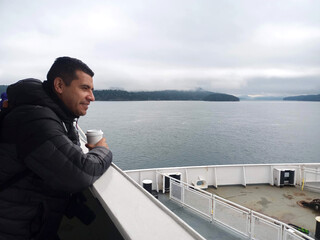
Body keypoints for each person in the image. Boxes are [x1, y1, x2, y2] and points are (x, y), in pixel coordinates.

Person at [0, 57, 112, 240]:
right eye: (85, 88)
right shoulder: (34, 119)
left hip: (31, 225)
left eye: (92, 90)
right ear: (59, 85)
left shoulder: (54, 115)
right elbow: (78, 172)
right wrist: (102, 150)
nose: (92, 97)